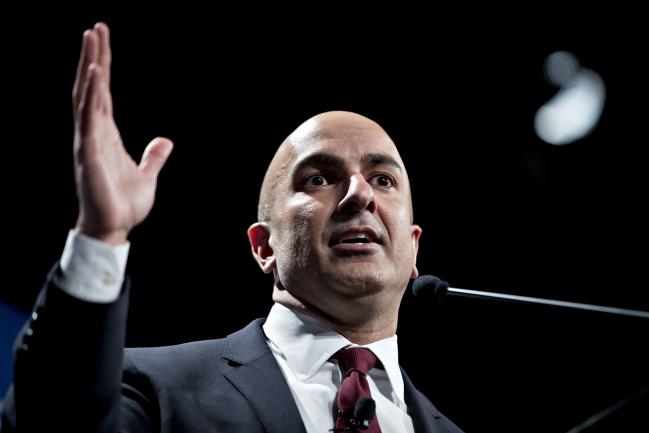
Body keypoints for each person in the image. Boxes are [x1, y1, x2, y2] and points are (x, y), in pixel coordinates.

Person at [1, 22, 464, 433]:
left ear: (412, 246)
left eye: (383, 180)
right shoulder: (153, 389)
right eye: (319, 178)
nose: (359, 194)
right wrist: (100, 236)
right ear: (264, 247)